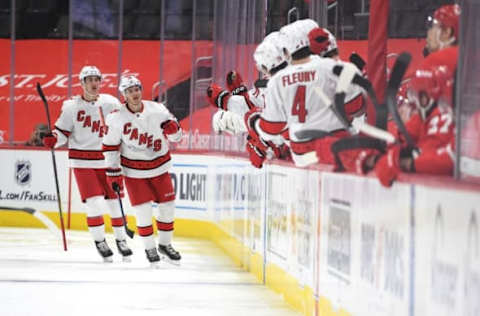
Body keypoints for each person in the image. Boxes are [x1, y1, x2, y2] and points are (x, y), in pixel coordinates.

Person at [42, 65, 132, 262]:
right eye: (89, 80)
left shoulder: (111, 103)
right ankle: (100, 241)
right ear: (81, 84)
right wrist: (53, 139)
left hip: (108, 160)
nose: (93, 83)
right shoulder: (71, 107)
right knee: (94, 203)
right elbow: (62, 132)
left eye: (96, 79)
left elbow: (126, 125)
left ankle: (121, 240)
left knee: (114, 202)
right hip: (83, 161)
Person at [249, 19, 364, 168]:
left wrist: (254, 122)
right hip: (337, 147)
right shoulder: (331, 68)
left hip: (301, 154)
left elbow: (271, 128)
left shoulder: (278, 80)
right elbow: (355, 107)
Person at [102, 75, 183, 266]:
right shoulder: (116, 117)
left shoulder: (158, 109)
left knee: (167, 207)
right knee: (143, 210)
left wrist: (175, 130)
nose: (134, 94)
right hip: (134, 172)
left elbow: (177, 135)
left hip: (160, 166)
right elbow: (110, 146)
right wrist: (112, 171)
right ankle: (150, 248)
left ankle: (164, 245)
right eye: (130, 91)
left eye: (136, 89)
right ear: (124, 95)